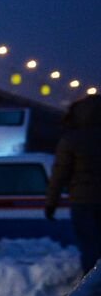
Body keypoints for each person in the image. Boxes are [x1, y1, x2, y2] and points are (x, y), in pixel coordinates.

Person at [46, 95, 101, 277]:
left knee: (89, 245)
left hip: (82, 201)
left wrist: (51, 202)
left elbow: (60, 173)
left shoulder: (71, 139)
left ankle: (92, 287)